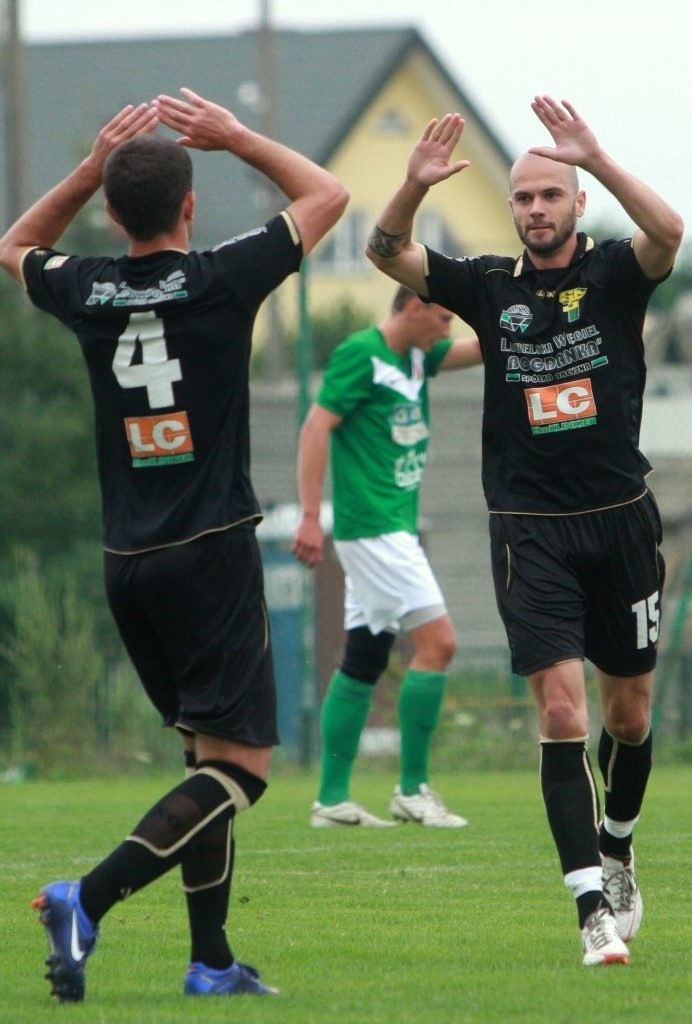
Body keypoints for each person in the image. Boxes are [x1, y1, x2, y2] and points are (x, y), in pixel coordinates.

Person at [0, 88, 348, 1001]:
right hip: (213, 549)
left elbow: (12, 246)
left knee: (204, 759)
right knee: (242, 769)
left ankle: (213, 961)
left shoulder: (86, 287)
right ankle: (89, 897)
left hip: (130, 562)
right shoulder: (221, 277)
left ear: (112, 212)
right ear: (189, 206)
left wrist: (87, 166)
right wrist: (234, 137)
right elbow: (327, 196)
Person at [365, 96, 683, 964]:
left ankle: (618, 845)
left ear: (577, 204)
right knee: (559, 708)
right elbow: (385, 251)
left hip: (620, 523)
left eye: (551, 195)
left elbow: (670, 231)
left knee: (628, 714)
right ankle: (590, 914)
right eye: (524, 198)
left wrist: (599, 156)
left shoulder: (617, 273)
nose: (536, 209)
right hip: (528, 530)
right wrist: (409, 187)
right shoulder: (490, 286)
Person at [292, 284, 481, 828]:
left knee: (365, 657)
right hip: (373, 527)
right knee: (439, 644)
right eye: (444, 318)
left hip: (387, 527)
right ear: (414, 305)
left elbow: (486, 347)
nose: (449, 331)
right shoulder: (361, 354)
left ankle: (330, 801)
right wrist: (309, 516)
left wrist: (532, 311)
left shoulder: (420, 355)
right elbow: (315, 427)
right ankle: (412, 790)